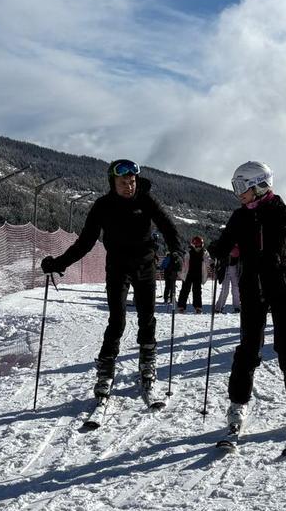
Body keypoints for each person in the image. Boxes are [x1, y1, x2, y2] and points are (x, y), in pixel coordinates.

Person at [40, 159, 182, 407]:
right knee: (117, 319)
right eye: (123, 182)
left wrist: (176, 251)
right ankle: (105, 372)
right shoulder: (102, 207)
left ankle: (147, 364)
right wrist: (60, 263)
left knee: (146, 317)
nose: (129, 186)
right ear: (112, 183)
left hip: (145, 266)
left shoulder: (146, 200)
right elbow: (85, 242)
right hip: (117, 268)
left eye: (132, 181)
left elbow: (169, 228)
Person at [207, 161, 286, 440]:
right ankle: (237, 406)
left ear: (259, 186)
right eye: (235, 186)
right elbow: (226, 241)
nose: (237, 192)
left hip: (279, 284)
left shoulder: (278, 211)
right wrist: (217, 250)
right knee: (249, 348)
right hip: (251, 285)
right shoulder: (240, 216)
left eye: (242, 186)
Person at [177, 235, 207, 312]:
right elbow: (183, 260)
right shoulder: (188, 252)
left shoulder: (204, 252)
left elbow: (208, 259)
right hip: (188, 274)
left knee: (197, 291)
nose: (198, 246)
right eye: (197, 245)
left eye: (200, 244)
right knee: (185, 290)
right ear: (193, 244)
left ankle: (198, 307)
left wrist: (212, 263)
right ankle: (181, 306)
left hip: (198, 274)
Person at [215, 244, 241, 313]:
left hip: (234, 267)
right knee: (225, 289)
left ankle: (237, 307)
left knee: (236, 289)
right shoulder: (226, 243)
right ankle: (219, 307)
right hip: (225, 268)